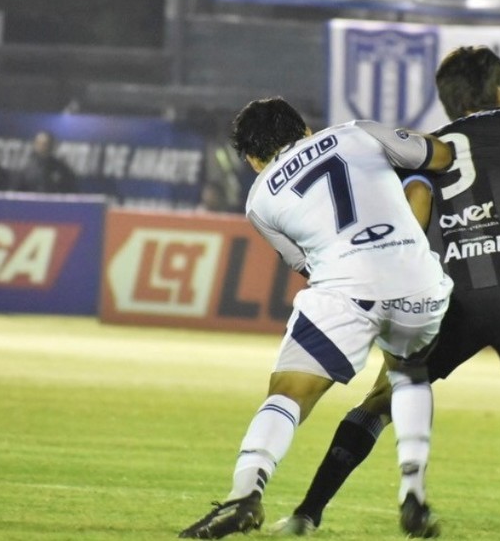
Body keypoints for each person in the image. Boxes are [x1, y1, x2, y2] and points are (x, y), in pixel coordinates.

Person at [269, 46, 500, 540]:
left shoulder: (423, 150)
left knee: (380, 400)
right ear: (499, 90)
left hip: (450, 299)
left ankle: (307, 513)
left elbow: (411, 213)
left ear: (447, 99)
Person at [178, 97, 456, 539]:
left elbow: (305, 263)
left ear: (253, 159)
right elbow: (441, 155)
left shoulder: (259, 199)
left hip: (346, 290)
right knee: (406, 374)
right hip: (419, 284)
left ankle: (244, 494)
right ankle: (412, 490)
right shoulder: (356, 132)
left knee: (289, 393)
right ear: (305, 128)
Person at [12, 130, 77, 193]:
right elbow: (15, 193)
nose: (43, 147)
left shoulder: (61, 168)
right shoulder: (25, 168)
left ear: (52, 145)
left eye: (47, 144)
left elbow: (71, 190)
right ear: (35, 145)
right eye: (40, 144)